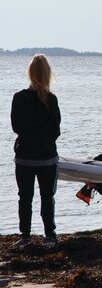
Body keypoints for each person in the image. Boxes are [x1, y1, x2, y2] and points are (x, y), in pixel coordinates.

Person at [11, 54, 62, 248]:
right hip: (47, 156)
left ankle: (25, 235)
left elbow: (16, 127)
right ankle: (50, 234)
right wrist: (45, 141)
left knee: (25, 197)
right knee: (47, 196)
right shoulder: (51, 99)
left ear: (30, 73)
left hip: (25, 156)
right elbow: (56, 130)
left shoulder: (19, 98)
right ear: (47, 74)